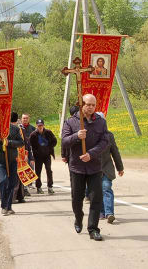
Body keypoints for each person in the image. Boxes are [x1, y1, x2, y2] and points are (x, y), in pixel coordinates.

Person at [62, 94, 109, 241]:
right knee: (77, 198)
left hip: (94, 166)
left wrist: (91, 153)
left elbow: (105, 141)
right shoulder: (71, 122)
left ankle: (93, 229)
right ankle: (78, 217)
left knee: (96, 198)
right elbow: (64, 141)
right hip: (77, 167)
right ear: (82, 104)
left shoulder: (101, 122)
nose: (91, 107)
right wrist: (77, 136)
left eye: (93, 105)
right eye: (88, 104)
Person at [0, 112, 24, 215]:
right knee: (3, 180)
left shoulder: (15, 129)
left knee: (12, 183)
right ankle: (3, 205)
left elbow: (21, 142)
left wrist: (9, 142)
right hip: (0, 160)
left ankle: (9, 206)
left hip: (12, 160)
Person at [99, 120, 124, 224]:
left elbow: (115, 152)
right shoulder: (89, 135)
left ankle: (109, 213)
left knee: (106, 188)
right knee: (97, 192)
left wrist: (120, 167)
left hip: (106, 168)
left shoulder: (109, 135)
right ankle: (101, 212)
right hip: (93, 169)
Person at [29, 119, 57, 195]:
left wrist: (49, 148)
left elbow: (55, 141)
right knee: (38, 171)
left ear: (43, 125)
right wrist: (35, 153)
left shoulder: (48, 132)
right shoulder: (33, 134)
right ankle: (38, 187)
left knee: (49, 170)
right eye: (38, 125)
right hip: (38, 157)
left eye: (41, 125)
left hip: (47, 155)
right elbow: (30, 145)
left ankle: (50, 187)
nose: (40, 127)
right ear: (36, 126)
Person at [20, 113, 35, 196]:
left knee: (30, 168)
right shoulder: (18, 128)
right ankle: (24, 188)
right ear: (21, 119)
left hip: (29, 151)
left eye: (26, 118)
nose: (25, 119)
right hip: (20, 152)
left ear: (29, 119)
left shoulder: (33, 129)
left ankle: (29, 184)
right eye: (23, 118)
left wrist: (32, 157)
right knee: (22, 170)